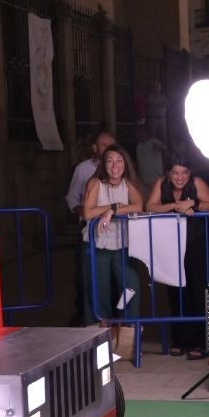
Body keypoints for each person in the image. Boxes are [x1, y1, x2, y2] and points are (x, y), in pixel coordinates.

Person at [145, 155, 209, 359]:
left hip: (197, 245)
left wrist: (191, 202)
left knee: (199, 292)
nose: (180, 177)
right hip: (172, 246)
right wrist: (175, 206)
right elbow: (149, 206)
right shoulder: (162, 183)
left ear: (190, 172)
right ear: (168, 173)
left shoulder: (197, 183)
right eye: (175, 172)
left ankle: (203, 342)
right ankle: (180, 340)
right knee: (176, 293)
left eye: (184, 172)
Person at [81, 144, 144, 350]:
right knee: (99, 291)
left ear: (126, 163)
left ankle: (127, 334)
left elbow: (139, 206)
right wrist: (113, 208)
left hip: (124, 245)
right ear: (103, 164)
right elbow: (88, 213)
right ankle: (101, 340)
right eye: (109, 160)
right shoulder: (95, 183)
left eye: (119, 160)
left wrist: (113, 211)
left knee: (130, 286)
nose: (114, 165)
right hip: (98, 245)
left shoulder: (129, 184)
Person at [66, 128, 118, 324]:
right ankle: (87, 320)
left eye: (111, 145)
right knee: (86, 277)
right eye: (104, 145)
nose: (107, 149)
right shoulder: (83, 169)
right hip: (89, 230)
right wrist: (86, 212)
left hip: (115, 233)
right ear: (95, 147)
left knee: (114, 279)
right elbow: (72, 197)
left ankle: (116, 322)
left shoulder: (121, 168)